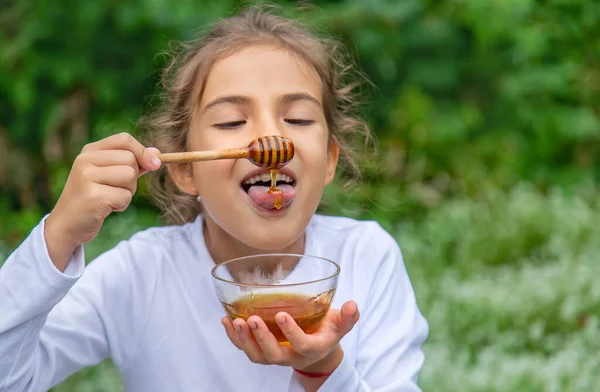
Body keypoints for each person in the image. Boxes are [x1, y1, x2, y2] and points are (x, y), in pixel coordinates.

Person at [0, 5, 428, 392]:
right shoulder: (139, 275)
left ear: (330, 160)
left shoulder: (366, 258)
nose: (270, 137)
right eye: (231, 121)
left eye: (297, 117)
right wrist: (58, 235)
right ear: (185, 168)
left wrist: (324, 369)